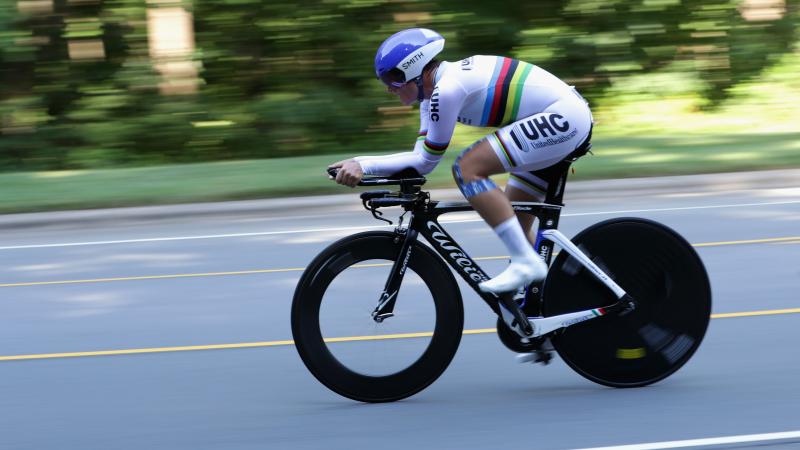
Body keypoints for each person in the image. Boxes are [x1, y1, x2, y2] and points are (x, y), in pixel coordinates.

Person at [329, 28, 593, 295]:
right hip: (560, 118)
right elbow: (419, 157)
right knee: (513, 220)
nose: (389, 89)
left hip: (563, 116)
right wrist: (359, 162)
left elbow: (425, 163)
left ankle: (528, 265)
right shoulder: (432, 96)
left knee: (467, 168)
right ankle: (554, 299)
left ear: (413, 70)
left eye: (393, 80)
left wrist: (365, 166)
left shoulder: (447, 89)